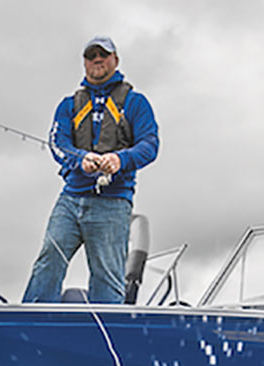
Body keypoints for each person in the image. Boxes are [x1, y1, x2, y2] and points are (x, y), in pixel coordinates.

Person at [21, 36, 160, 304]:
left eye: (103, 54)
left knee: (108, 276)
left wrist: (120, 159)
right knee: (50, 255)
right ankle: (34, 318)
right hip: (70, 200)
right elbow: (57, 143)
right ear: (85, 62)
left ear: (115, 60)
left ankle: (105, 332)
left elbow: (150, 145)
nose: (97, 59)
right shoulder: (68, 105)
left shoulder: (136, 102)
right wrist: (80, 159)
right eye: (91, 55)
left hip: (113, 203)